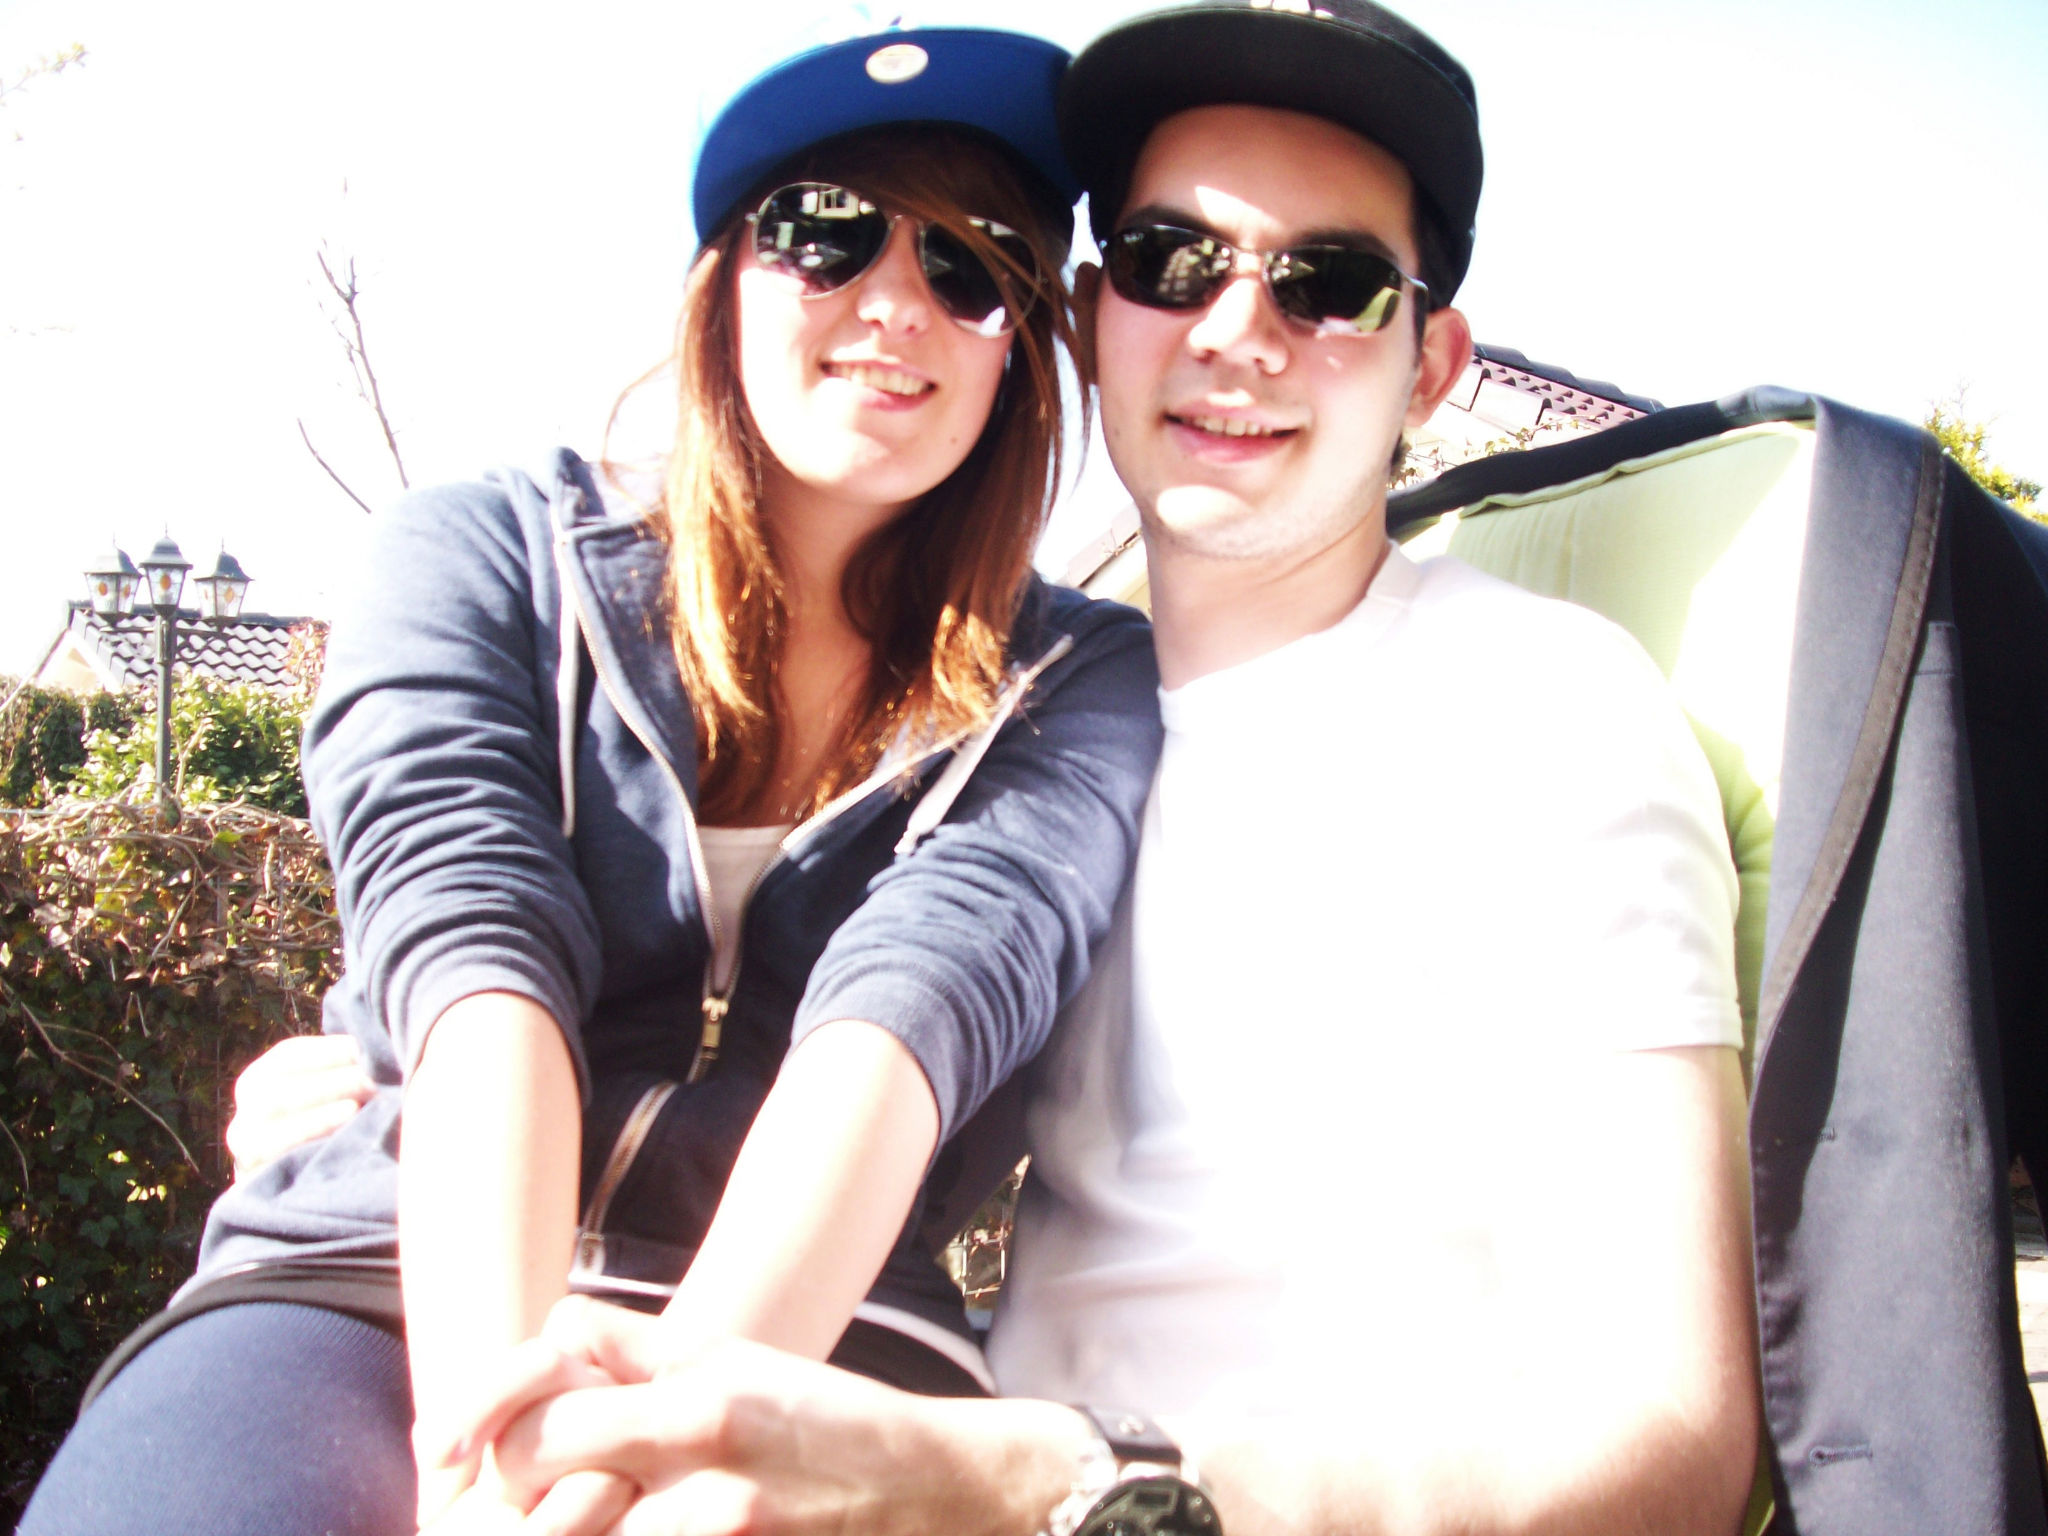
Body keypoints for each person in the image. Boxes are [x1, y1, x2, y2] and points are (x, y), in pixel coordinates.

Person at [366, 2, 1764, 1533]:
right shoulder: (1028, 725)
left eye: (1332, 283)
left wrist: (1050, 1481)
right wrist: (371, 1094)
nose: (1238, 332)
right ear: (1093, 316)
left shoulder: (1537, 709)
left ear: (1431, 364)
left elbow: (1678, 1445)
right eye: (1174, 261)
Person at [19, 20, 1161, 1536]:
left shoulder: (1076, 680)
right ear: (724, 275)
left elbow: (918, 1009)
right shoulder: (480, 556)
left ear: (1021, 335)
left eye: (969, 265)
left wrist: (669, 1439)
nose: (897, 303)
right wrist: (484, 1466)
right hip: (380, 1271)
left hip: (838, 1336)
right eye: (827, 232)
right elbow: (474, 954)